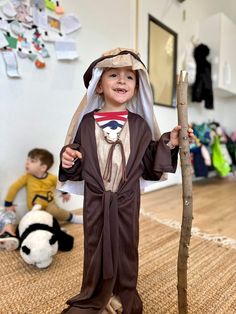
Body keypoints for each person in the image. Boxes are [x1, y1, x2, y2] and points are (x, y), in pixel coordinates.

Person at [58, 48, 194, 314]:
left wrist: (170, 142)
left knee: (126, 246)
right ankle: (96, 295)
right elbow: (75, 163)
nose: (122, 81)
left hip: (127, 198)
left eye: (129, 78)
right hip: (97, 200)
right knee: (95, 245)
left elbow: (151, 163)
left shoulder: (140, 125)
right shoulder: (86, 123)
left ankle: (123, 292)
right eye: (113, 75)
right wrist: (69, 158)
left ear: (137, 86)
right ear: (98, 86)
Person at [5, 148, 83, 225]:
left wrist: (65, 193)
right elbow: (14, 188)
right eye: (27, 160)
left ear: (43, 168)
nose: (27, 163)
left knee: (55, 211)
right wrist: (8, 204)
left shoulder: (51, 178)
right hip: (35, 206)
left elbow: (60, 184)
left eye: (32, 161)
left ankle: (73, 218)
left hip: (50, 204)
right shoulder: (27, 177)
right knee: (36, 219)